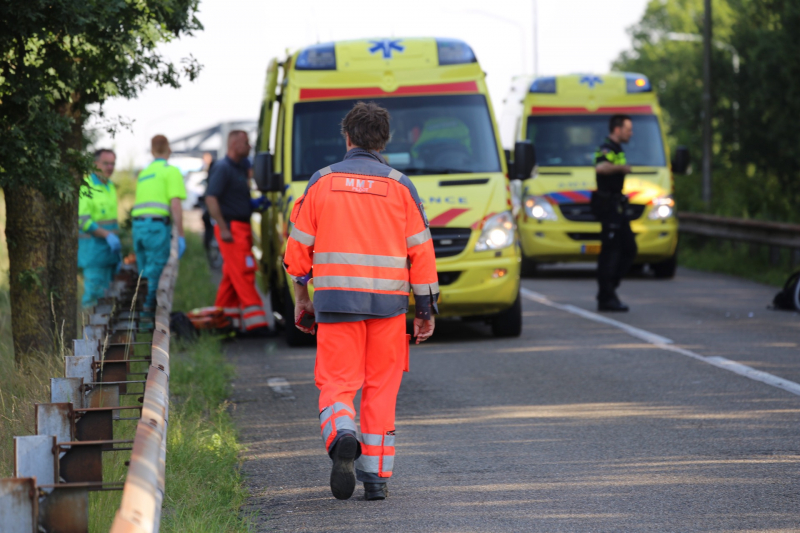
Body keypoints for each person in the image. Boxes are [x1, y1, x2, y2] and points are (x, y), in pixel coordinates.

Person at [283, 102, 438, 501]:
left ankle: (342, 435)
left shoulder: (321, 182)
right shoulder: (401, 186)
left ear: (347, 137)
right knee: (380, 388)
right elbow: (421, 253)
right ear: (384, 141)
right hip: (387, 309)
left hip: (335, 306)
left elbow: (297, 253)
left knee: (337, 383)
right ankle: (376, 478)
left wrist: (303, 299)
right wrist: (424, 310)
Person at [204, 131, 270, 333]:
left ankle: (222, 320)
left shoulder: (240, 168)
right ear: (234, 144)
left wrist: (253, 204)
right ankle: (257, 323)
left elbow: (236, 199)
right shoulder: (223, 168)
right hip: (231, 230)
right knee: (243, 272)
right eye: (246, 143)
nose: (250, 147)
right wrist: (223, 228)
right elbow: (211, 198)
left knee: (231, 275)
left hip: (241, 227)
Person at [131, 135, 186, 311]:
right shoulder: (171, 171)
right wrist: (181, 235)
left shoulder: (144, 173)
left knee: (143, 272)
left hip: (138, 227)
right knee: (155, 274)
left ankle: (139, 310)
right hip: (156, 228)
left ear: (152, 151)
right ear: (169, 149)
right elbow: (175, 205)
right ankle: (148, 318)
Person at [592, 114, 637, 312]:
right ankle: (606, 296)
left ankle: (609, 290)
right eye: (628, 129)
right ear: (617, 129)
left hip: (617, 207)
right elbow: (601, 168)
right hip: (608, 207)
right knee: (610, 253)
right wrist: (622, 168)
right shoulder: (606, 148)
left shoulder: (618, 149)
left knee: (629, 248)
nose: (631, 133)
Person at [78, 149, 121, 307]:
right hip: (93, 254)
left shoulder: (110, 186)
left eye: (112, 164)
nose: (110, 167)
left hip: (110, 253)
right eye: (105, 163)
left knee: (107, 298)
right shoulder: (86, 186)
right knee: (93, 297)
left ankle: (103, 332)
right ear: (95, 164)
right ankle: (88, 332)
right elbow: (83, 221)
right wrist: (107, 235)